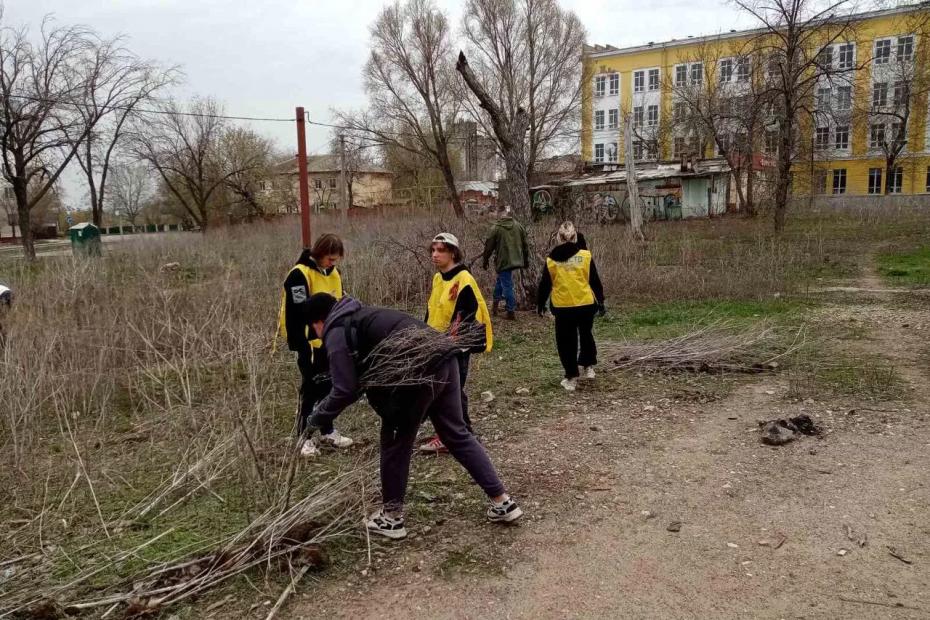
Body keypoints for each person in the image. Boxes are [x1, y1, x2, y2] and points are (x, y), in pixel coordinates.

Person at [303, 292, 522, 539]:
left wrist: (314, 419)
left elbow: (344, 389)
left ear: (317, 322)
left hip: (418, 373)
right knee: (456, 433)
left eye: (314, 331)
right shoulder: (365, 315)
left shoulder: (336, 331)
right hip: (444, 357)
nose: (318, 336)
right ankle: (503, 502)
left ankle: (392, 519)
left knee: (395, 441)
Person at [278, 234, 354, 457]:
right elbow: (300, 311)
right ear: (319, 254)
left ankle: (327, 429)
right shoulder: (299, 275)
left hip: (332, 338)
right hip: (308, 340)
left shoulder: (334, 274)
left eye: (336, 260)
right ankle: (304, 436)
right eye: (330, 259)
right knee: (311, 388)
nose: (333, 264)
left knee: (330, 386)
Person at [419, 233, 493, 454]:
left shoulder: (463, 279)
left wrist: (450, 341)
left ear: (452, 252)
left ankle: (457, 436)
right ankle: (460, 433)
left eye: (440, 250)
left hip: (455, 346)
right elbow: (432, 309)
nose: (435, 255)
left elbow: (466, 314)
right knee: (446, 391)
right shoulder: (438, 278)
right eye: (433, 250)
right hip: (436, 342)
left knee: (451, 390)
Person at [536, 221, 606, 392]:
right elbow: (594, 280)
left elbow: (545, 284)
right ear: (575, 237)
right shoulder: (585, 256)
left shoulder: (551, 260)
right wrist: (601, 301)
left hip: (563, 306)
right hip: (585, 304)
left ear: (558, 238)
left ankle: (571, 376)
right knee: (586, 334)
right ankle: (588, 366)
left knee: (566, 342)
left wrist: (540, 304)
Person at [482, 205, 529, 320]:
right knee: (501, 280)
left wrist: (485, 260)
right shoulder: (519, 226)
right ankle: (495, 306)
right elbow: (525, 246)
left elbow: (488, 247)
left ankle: (510, 311)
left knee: (507, 285)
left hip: (503, 261)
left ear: (499, 214)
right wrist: (526, 260)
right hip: (517, 260)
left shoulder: (496, 228)